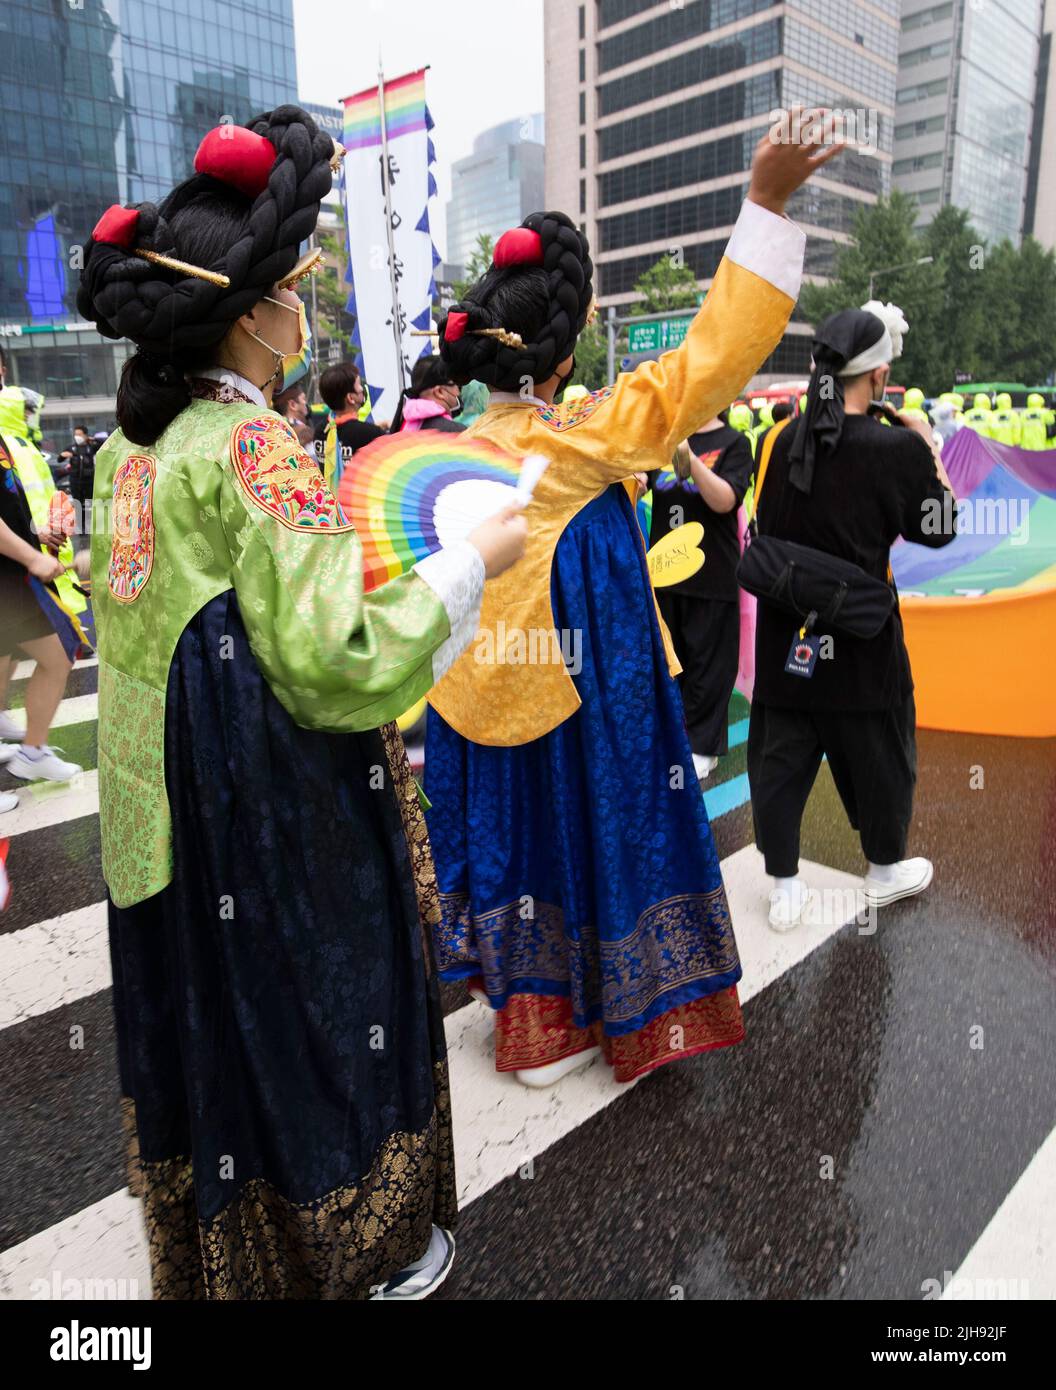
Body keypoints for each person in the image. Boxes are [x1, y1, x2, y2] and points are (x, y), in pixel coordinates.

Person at [76, 104, 527, 1301]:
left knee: (212, 1019)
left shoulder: (125, 454)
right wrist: (471, 561)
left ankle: (236, 1259)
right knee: (321, 1000)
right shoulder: (258, 448)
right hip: (270, 794)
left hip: (159, 803)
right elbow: (337, 656)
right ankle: (354, 1246)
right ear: (249, 312)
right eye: (291, 288)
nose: (303, 308)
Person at [423, 110, 842, 1087]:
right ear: (563, 358)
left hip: (473, 692)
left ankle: (525, 1007)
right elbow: (706, 367)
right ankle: (578, 1014)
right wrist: (764, 203)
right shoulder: (580, 437)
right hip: (575, 688)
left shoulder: (441, 456)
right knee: (586, 826)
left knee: (510, 833)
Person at [746, 302, 957, 930]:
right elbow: (940, 528)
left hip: (788, 631)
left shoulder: (778, 440)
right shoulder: (896, 448)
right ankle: (884, 872)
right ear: (879, 375)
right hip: (862, 638)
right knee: (880, 751)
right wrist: (928, 447)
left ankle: (785, 887)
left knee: (780, 756)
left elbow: (766, 522)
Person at [647, 414, 754, 780]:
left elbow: (725, 500)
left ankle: (702, 746)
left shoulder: (735, 443)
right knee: (669, 665)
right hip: (664, 575)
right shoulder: (664, 437)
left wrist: (690, 460)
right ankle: (676, 739)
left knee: (709, 667)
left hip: (712, 575)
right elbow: (641, 483)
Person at [0, 434, 82, 794]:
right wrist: (32, 557)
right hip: (10, 576)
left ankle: (32, 751)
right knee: (56, 656)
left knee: (55, 655)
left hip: (13, 574)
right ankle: (32, 751)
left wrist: (36, 536)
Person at [318, 360, 386, 490]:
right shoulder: (370, 434)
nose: (362, 389)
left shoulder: (321, 430)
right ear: (350, 398)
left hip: (331, 500)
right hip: (360, 499)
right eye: (359, 385)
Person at [389, 354, 466, 433]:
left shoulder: (403, 425)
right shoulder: (457, 432)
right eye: (458, 385)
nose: (459, 391)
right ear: (439, 392)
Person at [60, 423, 98, 550]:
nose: (77, 437)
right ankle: (82, 530)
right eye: (76, 434)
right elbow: (60, 458)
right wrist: (62, 456)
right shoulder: (72, 448)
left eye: (80, 434)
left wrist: (92, 439)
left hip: (89, 481)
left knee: (89, 503)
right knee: (78, 504)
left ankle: (91, 526)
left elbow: (103, 444)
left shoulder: (91, 447)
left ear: (85, 435)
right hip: (75, 481)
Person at [272, 381, 314, 447]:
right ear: (293, 405)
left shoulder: (273, 429)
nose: (305, 403)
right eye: (303, 399)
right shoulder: (305, 433)